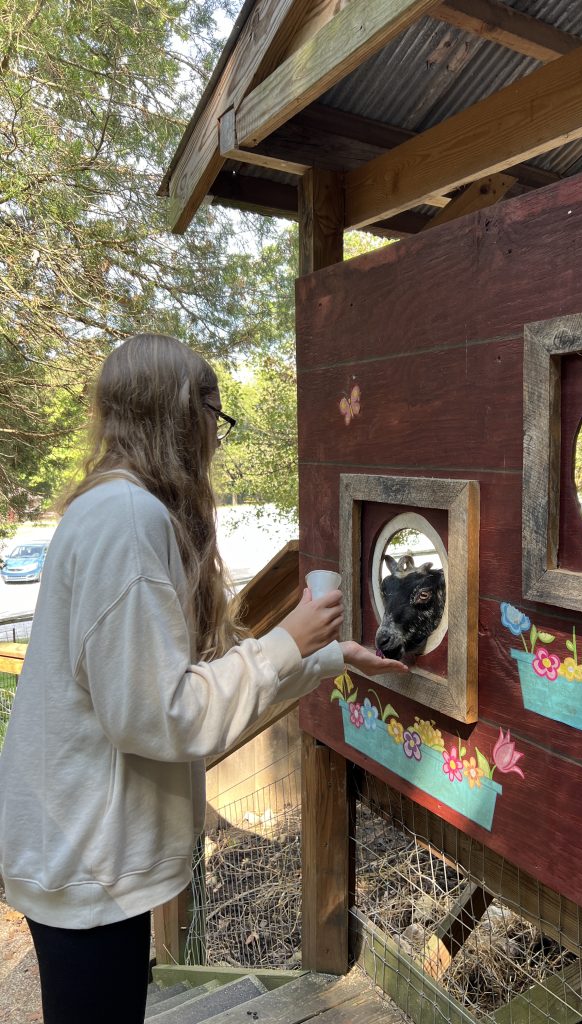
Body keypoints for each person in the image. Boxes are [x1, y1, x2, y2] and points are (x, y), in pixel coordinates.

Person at [0, 333, 406, 1023]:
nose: (215, 440)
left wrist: (323, 660)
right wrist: (284, 641)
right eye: (215, 419)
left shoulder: (112, 508)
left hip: (85, 848)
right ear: (185, 416)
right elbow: (161, 715)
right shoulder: (127, 521)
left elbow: (178, 689)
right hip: (88, 855)